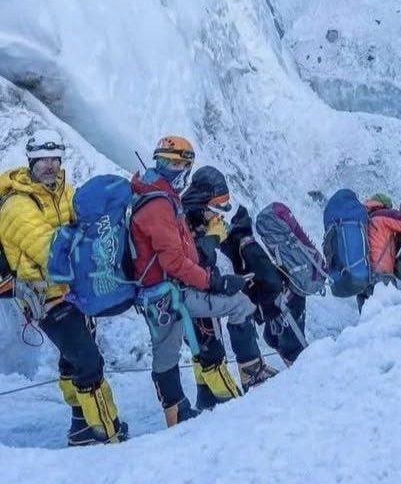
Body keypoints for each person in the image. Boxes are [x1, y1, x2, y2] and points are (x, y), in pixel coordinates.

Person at [130, 136, 276, 427]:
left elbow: (181, 252)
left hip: (158, 293)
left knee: (166, 354)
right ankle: (249, 376)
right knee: (237, 307)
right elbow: (175, 261)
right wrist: (214, 281)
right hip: (171, 290)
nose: (172, 170)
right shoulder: (159, 204)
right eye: (167, 163)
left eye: (177, 164)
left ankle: (179, 414)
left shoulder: (156, 194)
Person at [0, 130, 127, 446]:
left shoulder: (64, 192)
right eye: (43, 159)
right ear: (31, 160)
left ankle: (81, 426)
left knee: (73, 359)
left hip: (72, 292)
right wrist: (85, 240)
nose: (50, 165)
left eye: (55, 158)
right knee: (87, 360)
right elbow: (49, 251)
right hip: (44, 297)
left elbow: (89, 221)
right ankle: (106, 431)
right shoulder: (16, 206)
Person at [180, 166, 244, 411]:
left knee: (200, 349)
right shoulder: (183, 220)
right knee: (211, 351)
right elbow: (191, 259)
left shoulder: (189, 216)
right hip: (192, 292)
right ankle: (235, 407)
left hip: (190, 293)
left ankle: (205, 398)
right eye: (215, 210)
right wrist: (213, 238)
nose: (217, 217)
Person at [223, 206, 310, 366]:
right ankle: (302, 377)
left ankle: (311, 381)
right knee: (273, 340)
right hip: (282, 304)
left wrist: (261, 307)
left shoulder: (247, 249)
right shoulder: (243, 246)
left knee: (294, 352)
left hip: (285, 304)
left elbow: (272, 282)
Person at [359, 194, 401, 310]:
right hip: (380, 278)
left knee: (369, 323)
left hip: (362, 280)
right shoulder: (382, 215)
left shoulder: (365, 219)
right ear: (385, 205)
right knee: (387, 322)